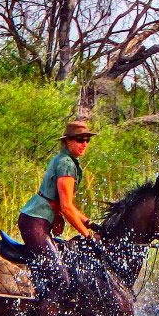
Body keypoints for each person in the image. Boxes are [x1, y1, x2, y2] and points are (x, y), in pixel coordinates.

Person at [17, 120, 98, 302]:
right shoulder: (66, 164)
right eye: (80, 140)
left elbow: (67, 205)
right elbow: (67, 208)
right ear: (68, 141)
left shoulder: (67, 161)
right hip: (36, 222)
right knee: (60, 276)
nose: (84, 144)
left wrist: (90, 224)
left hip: (36, 220)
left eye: (87, 140)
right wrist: (88, 236)